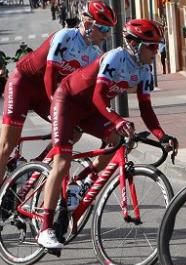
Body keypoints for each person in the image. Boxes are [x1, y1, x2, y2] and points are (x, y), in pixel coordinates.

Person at [35, 19, 178, 250]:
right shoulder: (115, 58)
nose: (156, 51)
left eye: (157, 46)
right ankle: (45, 229)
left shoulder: (144, 70)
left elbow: (146, 109)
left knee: (117, 140)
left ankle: (80, 183)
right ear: (134, 43)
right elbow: (98, 97)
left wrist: (162, 136)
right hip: (68, 101)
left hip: (91, 110)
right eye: (152, 46)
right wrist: (117, 119)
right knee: (61, 162)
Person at [0, 0, 116, 223]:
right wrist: (56, 107)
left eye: (108, 30)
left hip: (48, 94)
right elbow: (49, 74)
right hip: (24, 84)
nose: (105, 34)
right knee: (8, 143)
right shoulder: (65, 36)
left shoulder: (94, 54)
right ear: (87, 22)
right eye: (102, 28)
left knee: (73, 132)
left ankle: (35, 169)